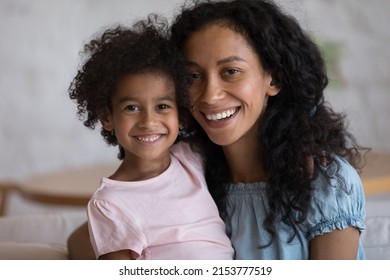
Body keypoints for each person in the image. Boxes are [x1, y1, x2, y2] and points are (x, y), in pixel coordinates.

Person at [68, 0, 368, 260]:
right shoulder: (192, 171)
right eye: (193, 76)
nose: (210, 95)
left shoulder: (326, 184)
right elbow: (83, 239)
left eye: (231, 72)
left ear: (273, 79)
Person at [67, 15, 234, 260]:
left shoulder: (190, 158)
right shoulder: (109, 204)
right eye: (132, 108)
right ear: (107, 117)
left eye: (163, 107)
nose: (148, 122)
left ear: (182, 115)